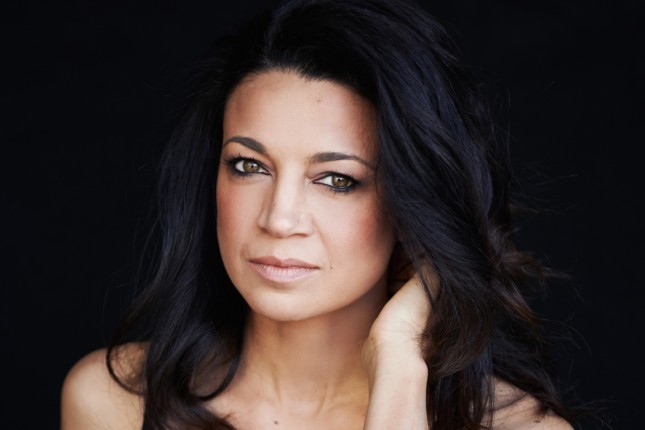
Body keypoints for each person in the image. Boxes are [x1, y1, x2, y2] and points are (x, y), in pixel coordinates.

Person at [61, 0, 582, 428]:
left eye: (337, 180)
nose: (280, 219)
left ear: (411, 204)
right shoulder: (115, 403)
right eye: (249, 166)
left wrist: (400, 364)